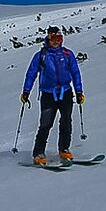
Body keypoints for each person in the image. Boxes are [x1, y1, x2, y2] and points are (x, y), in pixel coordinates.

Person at [20, 26, 85, 165]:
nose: (56, 42)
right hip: (48, 95)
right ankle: (38, 152)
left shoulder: (67, 54)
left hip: (66, 93)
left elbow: (75, 73)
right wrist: (26, 91)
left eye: (59, 38)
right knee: (45, 124)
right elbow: (31, 74)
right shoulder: (41, 55)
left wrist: (79, 91)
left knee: (66, 122)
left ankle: (64, 149)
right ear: (48, 38)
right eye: (53, 39)